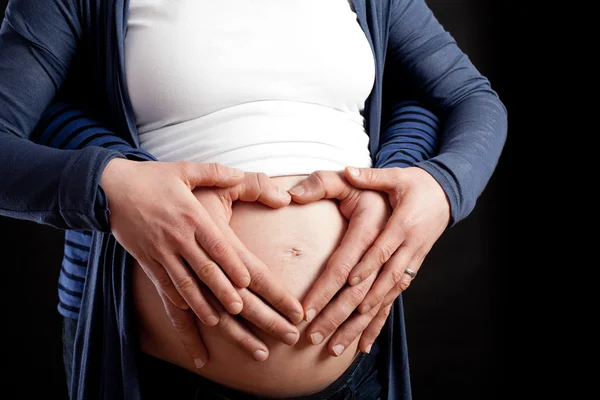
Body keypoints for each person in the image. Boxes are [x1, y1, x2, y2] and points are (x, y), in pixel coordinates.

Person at [0, 0, 507, 399]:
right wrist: (108, 184)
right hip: (161, 374)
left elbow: (469, 98)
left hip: (354, 372)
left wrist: (442, 186)